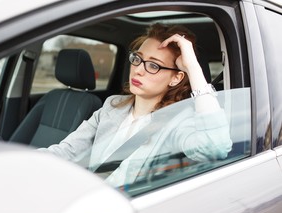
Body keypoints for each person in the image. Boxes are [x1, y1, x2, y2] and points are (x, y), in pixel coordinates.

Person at [42, 23, 232, 186]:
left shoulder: (179, 121)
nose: (139, 70)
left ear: (176, 78)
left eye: (153, 65)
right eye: (138, 59)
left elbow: (215, 147)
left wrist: (192, 67)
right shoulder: (112, 106)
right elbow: (67, 151)